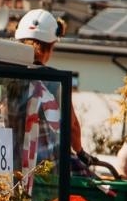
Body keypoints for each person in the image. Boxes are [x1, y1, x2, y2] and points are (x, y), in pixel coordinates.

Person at [12, 9, 81, 165]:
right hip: (46, 169)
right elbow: (73, 127)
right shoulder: (54, 82)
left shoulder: (6, 77)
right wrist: (81, 152)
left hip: (10, 164)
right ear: (50, 47)